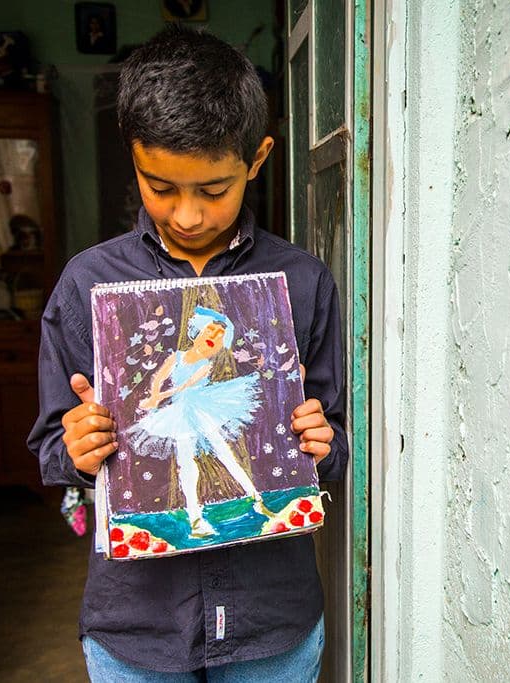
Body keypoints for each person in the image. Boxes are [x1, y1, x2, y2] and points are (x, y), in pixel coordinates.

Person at [26, 24, 347, 681]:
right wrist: (78, 448)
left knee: (223, 453)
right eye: (161, 186)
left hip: (273, 629)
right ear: (134, 157)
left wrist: (322, 442)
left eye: (213, 189)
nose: (189, 215)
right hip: (136, 632)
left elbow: (336, 447)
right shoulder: (88, 285)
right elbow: (52, 453)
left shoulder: (302, 284)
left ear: (258, 158)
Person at [129, 305, 266, 538]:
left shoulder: (206, 366)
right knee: (186, 462)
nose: (214, 336)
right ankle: (195, 518)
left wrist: (157, 398)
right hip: (181, 413)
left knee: (224, 452)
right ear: (198, 331)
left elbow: (184, 386)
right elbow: (159, 377)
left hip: (202, 408)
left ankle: (256, 497)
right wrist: (153, 395)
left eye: (220, 335)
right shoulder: (176, 357)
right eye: (211, 330)